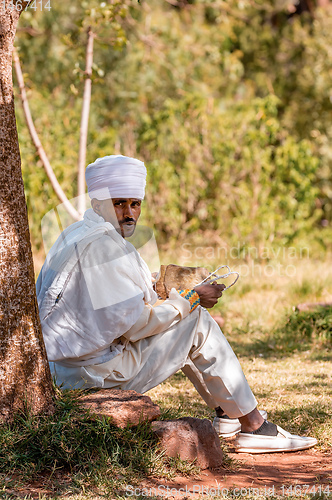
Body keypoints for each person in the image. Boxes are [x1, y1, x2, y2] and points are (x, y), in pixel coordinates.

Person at [36, 155, 317, 454]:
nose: (129, 213)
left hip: (63, 371)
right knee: (195, 320)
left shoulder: (75, 232)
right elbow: (135, 326)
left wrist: (169, 283)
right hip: (92, 376)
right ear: (97, 203)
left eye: (135, 203)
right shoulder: (104, 245)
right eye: (119, 203)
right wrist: (194, 298)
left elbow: (109, 303)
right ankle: (255, 427)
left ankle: (226, 415)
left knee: (186, 320)